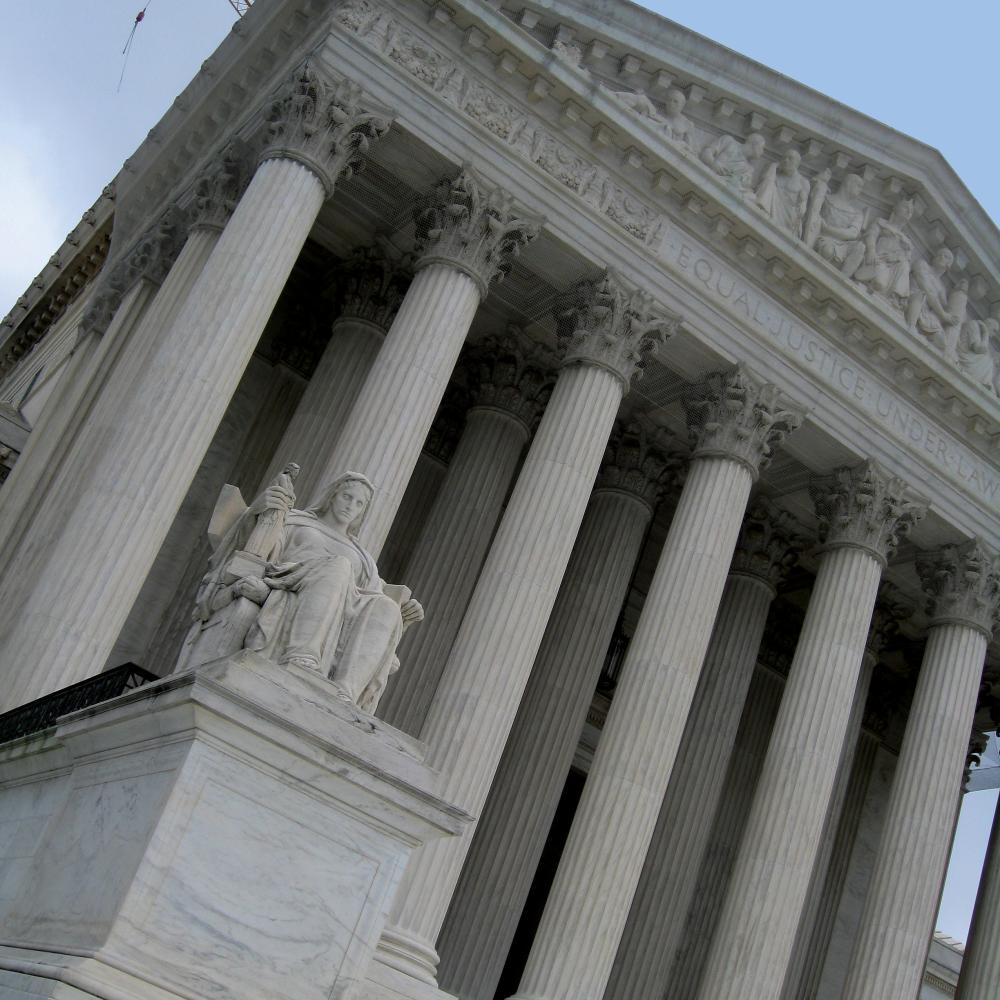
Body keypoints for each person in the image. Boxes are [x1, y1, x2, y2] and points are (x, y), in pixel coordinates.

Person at [192, 471, 423, 712]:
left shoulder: (364, 558)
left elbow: (369, 600)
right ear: (332, 496)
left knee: (386, 606)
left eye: (359, 503)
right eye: (347, 496)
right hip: (288, 584)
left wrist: (401, 620)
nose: (350, 506)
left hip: (343, 608)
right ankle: (301, 657)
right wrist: (258, 512)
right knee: (339, 567)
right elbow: (254, 548)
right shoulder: (295, 521)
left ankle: (345, 693)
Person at [754, 149, 810, 238]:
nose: (786, 160)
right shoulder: (776, 175)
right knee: (770, 184)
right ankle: (762, 209)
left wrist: (802, 206)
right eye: (784, 158)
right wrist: (773, 166)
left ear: (797, 163)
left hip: (788, 217)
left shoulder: (803, 181)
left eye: (790, 158)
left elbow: (803, 203)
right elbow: (765, 182)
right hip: (771, 208)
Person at [700, 132, 765, 193]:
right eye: (762, 147)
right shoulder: (729, 141)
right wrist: (713, 163)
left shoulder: (749, 169)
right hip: (705, 178)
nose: (762, 152)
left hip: (721, 189)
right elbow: (706, 153)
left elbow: (743, 185)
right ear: (755, 144)